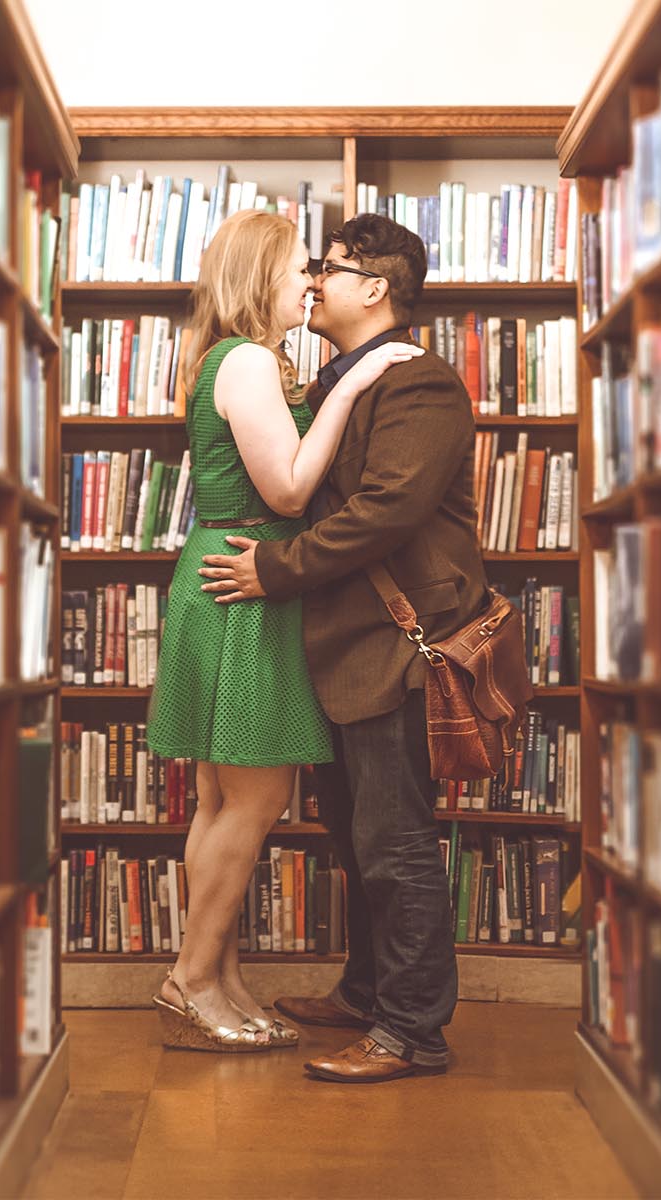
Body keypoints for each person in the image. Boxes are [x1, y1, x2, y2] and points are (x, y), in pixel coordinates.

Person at [196, 213, 488, 1083]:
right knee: (357, 837)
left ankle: (411, 1031)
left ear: (376, 288)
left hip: (395, 646)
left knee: (395, 841)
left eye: (332, 267)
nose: (314, 280)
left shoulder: (418, 382)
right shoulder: (337, 377)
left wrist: (276, 570)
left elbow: (386, 512)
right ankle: (367, 993)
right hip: (342, 642)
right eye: (308, 267)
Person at [144, 209, 424, 1052]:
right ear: (260, 274)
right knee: (257, 795)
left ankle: (217, 978)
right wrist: (354, 382)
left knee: (222, 797)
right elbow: (293, 492)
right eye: (299, 265)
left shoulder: (224, 360)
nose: (309, 280)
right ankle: (192, 980)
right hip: (247, 581)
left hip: (221, 575)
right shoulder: (251, 362)